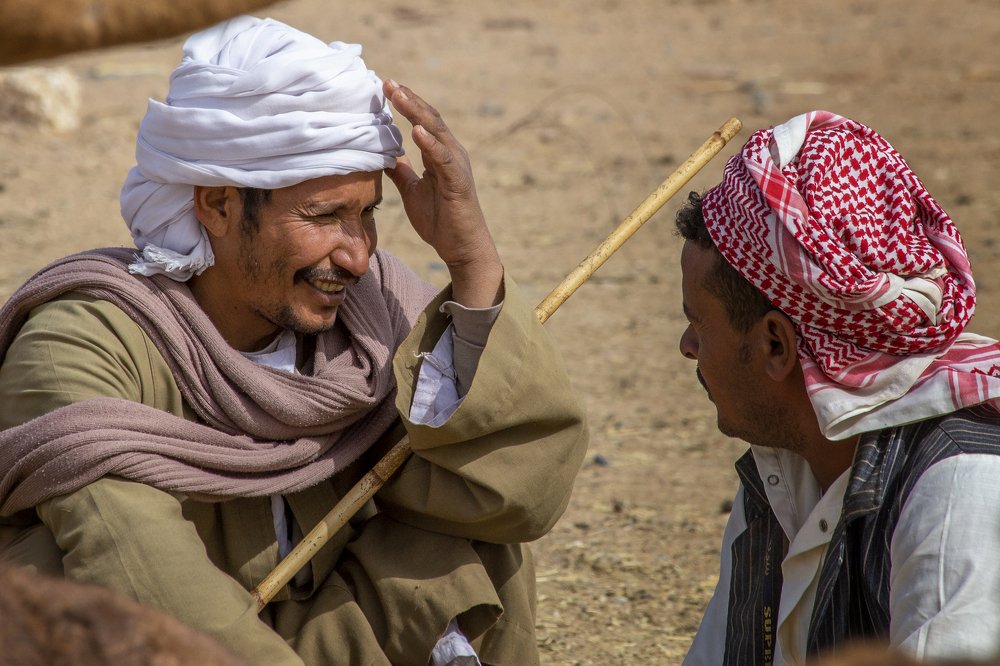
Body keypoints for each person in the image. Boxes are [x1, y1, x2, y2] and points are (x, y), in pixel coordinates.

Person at [0, 16, 588, 666]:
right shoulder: (82, 342)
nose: (359, 255)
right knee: (57, 573)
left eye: (367, 215)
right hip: (167, 650)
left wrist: (472, 262)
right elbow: (143, 571)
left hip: (313, 634)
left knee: (483, 547)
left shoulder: (369, 319)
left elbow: (515, 497)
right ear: (218, 205)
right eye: (326, 216)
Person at [675, 111, 1000, 665]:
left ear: (777, 345)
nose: (686, 346)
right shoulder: (785, 466)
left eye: (698, 324)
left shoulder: (960, 491)